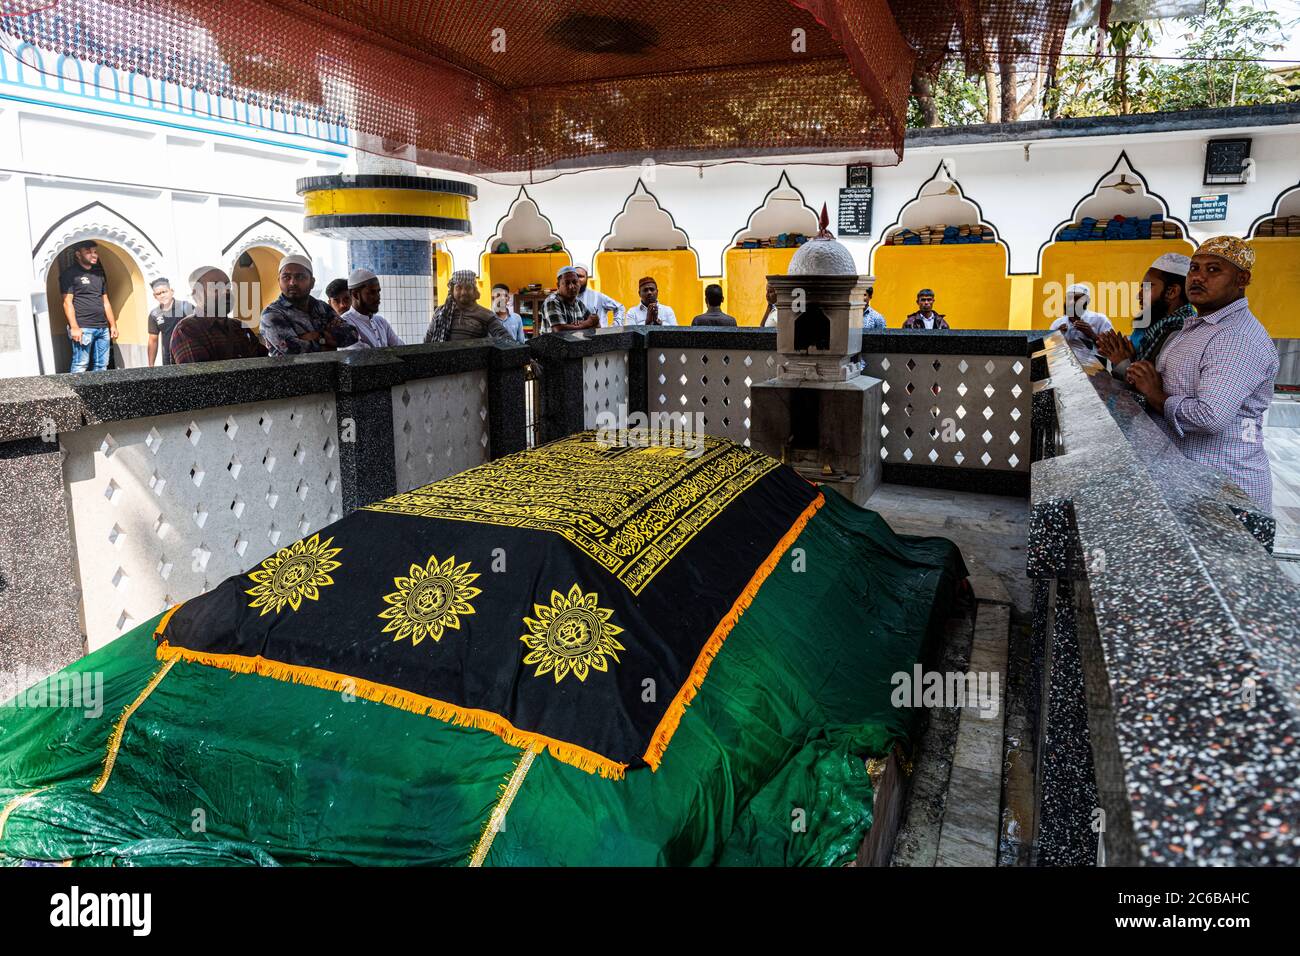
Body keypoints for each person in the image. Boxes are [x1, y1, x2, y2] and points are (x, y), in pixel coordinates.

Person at [1125, 236, 1278, 513]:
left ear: (1242, 279)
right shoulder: (1198, 326)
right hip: (1189, 483)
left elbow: (1209, 416)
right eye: (1194, 268)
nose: (1198, 277)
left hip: (1224, 493)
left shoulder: (1235, 337)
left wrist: (1156, 393)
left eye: (1213, 270)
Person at [1096, 253, 1194, 379]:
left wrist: (1122, 362)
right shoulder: (1157, 326)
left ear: (1172, 292)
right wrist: (1129, 358)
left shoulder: (1178, 334)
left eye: (1147, 287)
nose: (1139, 295)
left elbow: (1150, 389)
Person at [260, 255, 359, 355]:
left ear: (312, 282)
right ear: (279, 282)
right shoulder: (272, 314)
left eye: (300, 277)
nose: (292, 282)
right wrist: (328, 340)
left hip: (329, 369)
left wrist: (317, 336)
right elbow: (293, 350)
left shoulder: (322, 307)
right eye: (286, 277)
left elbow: (352, 335)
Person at [169, 267, 268, 364]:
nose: (226, 292)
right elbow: (201, 378)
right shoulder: (186, 330)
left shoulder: (239, 327)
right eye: (217, 288)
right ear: (197, 295)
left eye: (228, 287)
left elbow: (265, 364)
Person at [60, 240, 117, 372]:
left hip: (103, 328)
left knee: (101, 365)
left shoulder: (98, 275)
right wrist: (74, 327)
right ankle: (75, 392)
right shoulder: (70, 274)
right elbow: (67, 302)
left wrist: (112, 325)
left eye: (95, 252)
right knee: (80, 364)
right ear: (78, 254)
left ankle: (99, 392)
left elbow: (105, 301)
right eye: (88, 252)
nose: (93, 255)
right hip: (83, 327)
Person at [424, 270, 514, 342]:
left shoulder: (486, 315)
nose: (463, 292)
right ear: (452, 290)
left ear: (474, 291)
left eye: (468, 288)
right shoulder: (440, 312)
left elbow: (505, 339)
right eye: (458, 288)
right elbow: (428, 341)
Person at [340, 269, 404, 348]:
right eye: (372, 292)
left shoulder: (381, 322)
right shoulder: (345, 323)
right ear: (355, 295)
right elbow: (362, 357)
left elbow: (401, 348)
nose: (378, 297)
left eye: (378, 292)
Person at [1049, 283, 1113, 354]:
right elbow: (1049, 350)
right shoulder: (1057, 323)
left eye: (1077, 299)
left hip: (1095, 364)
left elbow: (1113, 350)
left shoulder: (1100, 320)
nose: (1071, 302)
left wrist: (1092, 335)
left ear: (1087, 301)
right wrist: (1057, 336)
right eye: (1069, 298)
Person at [146, 276, 195, 367]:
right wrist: (151, 365)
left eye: (164, 291)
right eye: (158, 293)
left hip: (190, 356)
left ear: (171, 291)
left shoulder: (186, 307)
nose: (162, 295)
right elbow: (153, 340)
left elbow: (199, 329)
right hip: (169, 360)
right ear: (155, 296)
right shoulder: (154, 315)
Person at [538, 266, 598, 333]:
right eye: (567, 283)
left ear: (579, 284)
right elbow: (559, 330)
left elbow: (595, 324)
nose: (572, 286)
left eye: (575, 282)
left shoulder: (578, 303)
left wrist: (591, 321)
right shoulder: (552, 301)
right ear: (558, 285)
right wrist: (586, 324)